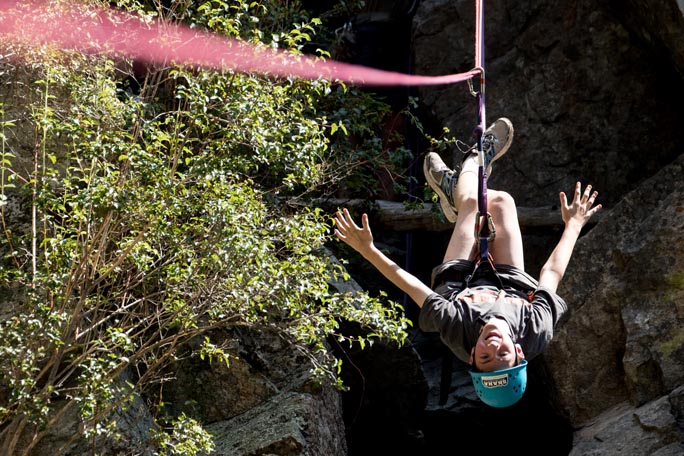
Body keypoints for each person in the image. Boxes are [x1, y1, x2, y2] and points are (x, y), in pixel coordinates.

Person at [334, 118, 602, 408]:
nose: (493, 346)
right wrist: (573, 225)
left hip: (458, 280)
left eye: (485, 357)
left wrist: (368, 250)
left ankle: (474, 162)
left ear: (472, 355)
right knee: (501, 202)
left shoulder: (456, 328)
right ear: (519, 352)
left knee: (474, 205)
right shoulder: (536, 328)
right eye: (503, 355)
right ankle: (456, 191)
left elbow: (412, 286)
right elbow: (551, 273)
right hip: (509, 280)